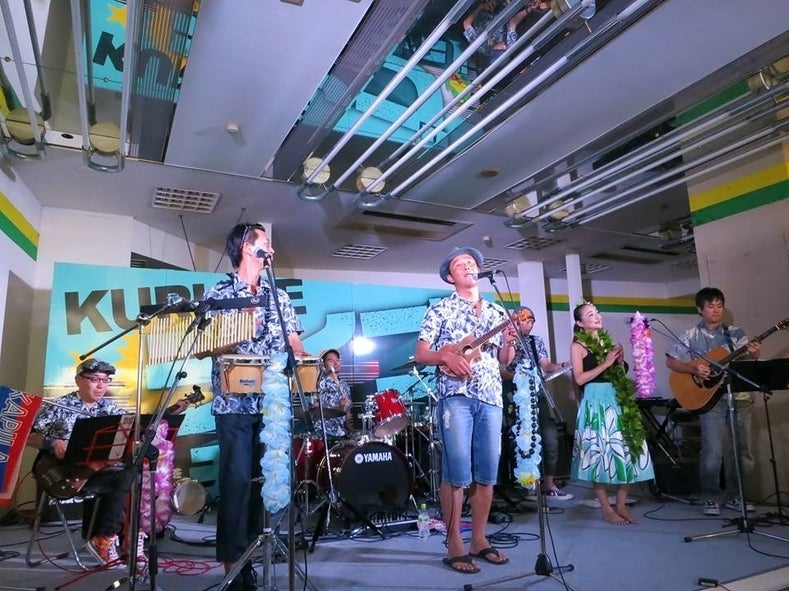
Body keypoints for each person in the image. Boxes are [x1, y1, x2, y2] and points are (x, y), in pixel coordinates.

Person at [203, 223, 307, 591]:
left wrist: (303, 358)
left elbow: (294, 341)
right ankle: (234, 565)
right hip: (233, 403)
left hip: (272, 406)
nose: (271, 248)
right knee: (237, 482)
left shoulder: (279, 297)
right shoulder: (219, 293)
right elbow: (206, 346)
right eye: (265, 242)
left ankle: (254, 555)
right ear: (247, 247)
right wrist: (238, 330)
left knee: (265, 481)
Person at [414, 246, 514, 574]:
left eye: (472, 262)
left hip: (491, 397)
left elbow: (504, 361)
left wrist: (510, 340)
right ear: (450, 276)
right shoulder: (440, 309)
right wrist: (446, 356)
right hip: (455, 397)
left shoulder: (497, 311)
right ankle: (455, 542)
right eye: (461, 264)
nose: (469, 266)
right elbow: (421, 354)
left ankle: (480, 540)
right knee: (457, 471)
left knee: (487, 471)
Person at [27, 358, 137, 565]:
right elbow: (28, 436)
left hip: (95, 471)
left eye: (105, 380)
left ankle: (119, 537)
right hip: (63, 474)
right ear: (78, 380)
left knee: (133, 472)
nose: (101, 385)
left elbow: (132, 432)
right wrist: (53, 443)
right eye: (94, 379)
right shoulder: (58, 406)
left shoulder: (110, 408)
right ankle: (105, 538)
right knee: (123, 479)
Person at [665, 287, 760, 517]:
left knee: (743, 451)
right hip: (709, 400)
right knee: (712, 452)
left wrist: (755, 353)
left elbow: (748, 360)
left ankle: (737, 496)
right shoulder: (691, 335)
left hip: (739, 397)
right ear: (700, 310)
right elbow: (671, 361)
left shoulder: (735, 333)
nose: (716, 310)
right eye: (710, 306)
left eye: (719, 305)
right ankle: (711, 496)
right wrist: (692, 368)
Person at [569, 302, 654, 525]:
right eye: (590, 314)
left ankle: (621, 505)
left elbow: (618, 375)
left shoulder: (609, 343)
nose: (597, 316)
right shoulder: (578, 346)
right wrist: (606, 364)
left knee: (629, 449)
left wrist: (620, 362)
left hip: (617, 400)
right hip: (595, 402)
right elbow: (579, 378)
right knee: (598, 454)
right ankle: (606, 509)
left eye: (597, 312)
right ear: (580, 323)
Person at [501, 306, 574, 500]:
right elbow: (505, 370)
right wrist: (512, 345)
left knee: (550, 438)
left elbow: (546, 366)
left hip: (538, 396)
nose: (529, 324)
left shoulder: (535, 341)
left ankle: (549, 485)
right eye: (525, 320)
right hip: (516, 398)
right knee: (521, 442)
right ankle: (526, 487)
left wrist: (565, 365)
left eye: (532, 321)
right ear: (515, 321)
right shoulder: (505, 342)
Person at [314, 348, 352, 441]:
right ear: (323, 365)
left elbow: (347, 412)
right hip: (325, 433)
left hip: (341, 432)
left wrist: (350, 429)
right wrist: (339, 407)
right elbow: (319, 410)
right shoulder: (321, 384)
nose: (336, 363)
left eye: (337, 360)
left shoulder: (344, 385)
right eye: (331, 360)